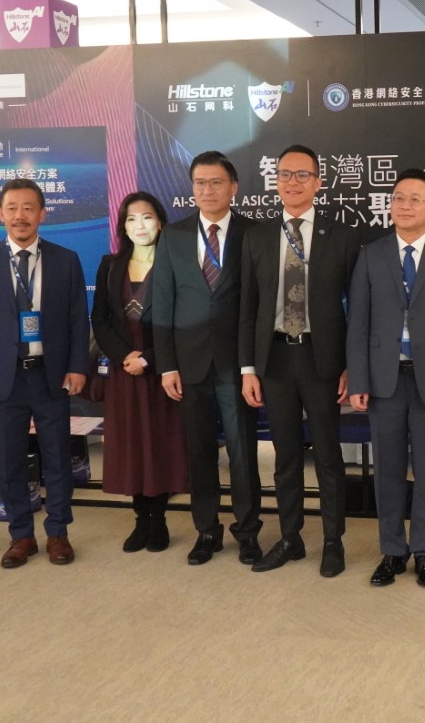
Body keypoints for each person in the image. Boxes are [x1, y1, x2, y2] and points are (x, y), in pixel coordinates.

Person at [347, 168, 425, 588]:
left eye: (415, 199)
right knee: (386, 471)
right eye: (398, 198)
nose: (405, 205)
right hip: (384, 381)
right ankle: (392, 552)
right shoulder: (371, 255)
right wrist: (359, 380)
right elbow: (358, 324)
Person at [239, 145, 360, 577]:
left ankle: (333, 541)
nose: (293, 182)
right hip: (274, 359)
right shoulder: (257, 236)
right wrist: (248, 369)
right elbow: (247, 308)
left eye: (302, 175)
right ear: (275, 181)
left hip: (321, 358)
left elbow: (358, 308)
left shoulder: (341, 236)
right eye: (285, 174)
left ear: (318, 182)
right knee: (285, 455)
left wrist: (351, 364)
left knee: (327, 454)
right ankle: (290, 538)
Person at [0, 178, 89, 569]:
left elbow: (77, 319)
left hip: (50, 375)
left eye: (29, 208)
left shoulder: (65, 259)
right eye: (12, 208)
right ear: (0, 214)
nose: (20, 216)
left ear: (42, 214)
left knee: (57, 457)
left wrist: (77, 366)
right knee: (11, 460)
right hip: (6, 378)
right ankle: (21, 534)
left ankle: (58, 532)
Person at [152, 151, 262, 566]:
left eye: (216, 182)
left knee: (242, 453)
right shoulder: (174, 235)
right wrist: (167, 365)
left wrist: (252, 365)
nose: (207, 190)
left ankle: (247, 532)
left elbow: (258, 303)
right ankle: (207, 531)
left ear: (233, 187)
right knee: (199, 452)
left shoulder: (253, 233)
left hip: (237, 364)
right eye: (200, 182)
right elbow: (163, 303)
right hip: (189, 363)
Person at [91, 191, 189, 554]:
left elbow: (184, 320)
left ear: (160, 222)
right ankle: (140, 519)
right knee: (131, 447)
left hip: (163, 369)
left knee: (160, 445)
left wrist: (148, 358)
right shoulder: (110, 265)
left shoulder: (177, 262)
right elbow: (100, 319)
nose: (140, 225)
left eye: (146, 217)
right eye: (131, 219)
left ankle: (159, 520)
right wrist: (124, 357)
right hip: (124, 372)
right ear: (123, 226)